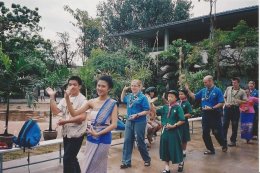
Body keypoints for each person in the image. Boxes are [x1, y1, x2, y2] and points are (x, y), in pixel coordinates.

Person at [65, 75, 118, 173]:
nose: (100, 88)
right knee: (87, 163)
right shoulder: (91, 102)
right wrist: (67, 99)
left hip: (103, 138)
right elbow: (74, 113)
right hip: (91, 138)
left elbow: (114, 124)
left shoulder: (112, 103)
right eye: (98, 85)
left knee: (98, 165)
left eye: (103, 86)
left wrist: (98, 133)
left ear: (109, 88)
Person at [46, 76, 87, 173]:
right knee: (72, 158)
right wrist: (52, 97)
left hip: (77, 134)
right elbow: (56, 111)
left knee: (67, 159)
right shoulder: (64, 99)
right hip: (66, 134)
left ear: (79, 86)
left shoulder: (83, 100)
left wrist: (65, 121)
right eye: (70, 84)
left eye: (75, 85)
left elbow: (81, 118)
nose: (72, 87)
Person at [185, 75, 227, 155]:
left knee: (216, 132)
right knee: (205, 133)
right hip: (205, 114)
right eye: (204, 82)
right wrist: (188, 90)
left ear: (211, 81)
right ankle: (210, 149)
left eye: (205, 82)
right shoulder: (203, 90)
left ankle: (223, 144)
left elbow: (221, 103)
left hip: (215, 114)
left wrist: (212, 107)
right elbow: (194, 97)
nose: (204, 84)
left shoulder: (217, 90)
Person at [120, 79, 151, 169]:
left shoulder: (143, 97)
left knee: (140, 141)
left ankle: (147, 159)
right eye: (132, 85)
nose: (133, 87)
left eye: (135, 85)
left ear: (140, 87)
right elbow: (122, 99)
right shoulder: (130, 96)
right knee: (127, 141)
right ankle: (126, 162)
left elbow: (147, 110)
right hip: (129, 121)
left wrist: (137, 115)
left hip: (140, 121)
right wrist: (124, 90)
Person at [156, 90, 185, 173]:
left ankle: (181, 162)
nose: (169, 98)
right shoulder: (164, 107)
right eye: (168, 96)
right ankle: (167, 167)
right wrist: (150, 103)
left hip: (174, 132)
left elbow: (182, 120)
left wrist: (174, 125)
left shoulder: (178, 107)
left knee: (175, 148)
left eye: (172, 96)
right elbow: (155, 112)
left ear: (176, 98)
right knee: (165, 149)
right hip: (165, 132)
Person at [223, 77, 247, 147]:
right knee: (225, 124)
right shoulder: (228, 88)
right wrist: (226, 103)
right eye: (233, 82)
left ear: (238, 83)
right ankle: (223, 140)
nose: (233, 84)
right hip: (227, 108)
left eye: (235, 83)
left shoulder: (242, 91)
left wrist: (240, 101)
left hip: (235, 109)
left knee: (235, 125)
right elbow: (224, 97)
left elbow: (246, 101)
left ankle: (233, 141)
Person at [178, 88, 192, 157]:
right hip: (177, 124)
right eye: (179, 94)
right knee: (177, 137)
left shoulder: (187, 103)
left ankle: (184, 151)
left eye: (182, 94)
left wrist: (182, 115)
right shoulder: (177, 102)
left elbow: (189, 114)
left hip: (184, 123)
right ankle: (178, 150)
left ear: (186, 95)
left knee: (184, 138)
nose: (180, 95)